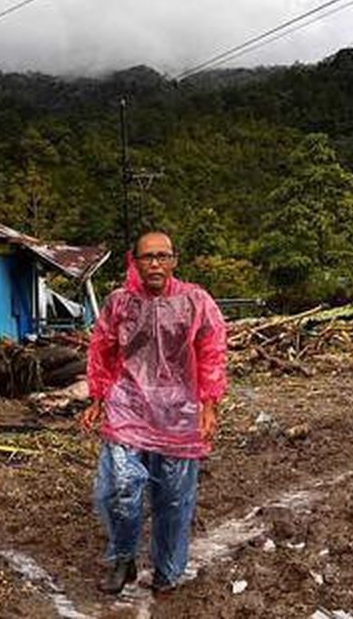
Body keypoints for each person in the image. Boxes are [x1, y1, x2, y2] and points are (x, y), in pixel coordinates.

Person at [79, 231, 227, 594]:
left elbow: (211, 351)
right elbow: (102, 349)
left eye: (163, 256)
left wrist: (209, 405)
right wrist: (97, 398)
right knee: (118, 487)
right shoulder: (119, 303)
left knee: (173, 497)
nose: (155, 263)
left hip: (179, 411)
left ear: (174, 261)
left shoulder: (195, 301)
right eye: (148, 257)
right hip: (128, 406)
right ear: (135, 261)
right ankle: (123, 559)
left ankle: (168, 568)